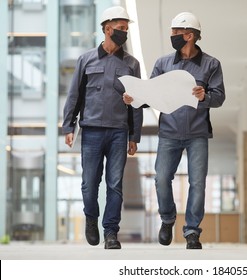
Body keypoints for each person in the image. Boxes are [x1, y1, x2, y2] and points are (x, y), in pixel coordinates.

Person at [62, 6, 143, 249]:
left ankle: (111, 233)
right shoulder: (85, 60)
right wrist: (68, 126)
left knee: (115, 184)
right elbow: (74, 95)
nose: (124, 34)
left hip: (119, 131)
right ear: (107, 29)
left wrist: (134, 135)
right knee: (89, 183)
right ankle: (90, 217)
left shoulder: (132, 64)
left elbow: (136, 103)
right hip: (92, 131)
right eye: (120, 29)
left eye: (126, 30)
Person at [151, 12, 225, 249]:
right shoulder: (163, 64)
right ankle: (167, 218)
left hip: (197, 133)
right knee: (162, 179)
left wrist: (205, 96)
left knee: (198, 183)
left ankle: (192, 231)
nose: (172, 36)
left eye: (175, 32)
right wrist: (137, 96)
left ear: (189, 35)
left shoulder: (211, 64)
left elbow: (220, 97)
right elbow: (152, 92)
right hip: (169, 132)